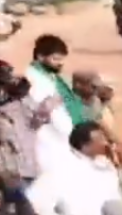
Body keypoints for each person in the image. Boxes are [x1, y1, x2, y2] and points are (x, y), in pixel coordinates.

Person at [26, 120, 122, 215]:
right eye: (99, 139)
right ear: (85, 146)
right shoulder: (63, 169)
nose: (105, 143)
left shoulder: (104, 164)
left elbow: (114, 193)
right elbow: (37, 198)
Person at [25, 35, 81, 177]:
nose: (60, 63)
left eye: (61, 59)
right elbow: (49, 112)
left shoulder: (49, 75)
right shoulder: (35, 80)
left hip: (60, 139)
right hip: (51, 141)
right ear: (40, 57)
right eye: (55, 59)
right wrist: (73, 134)